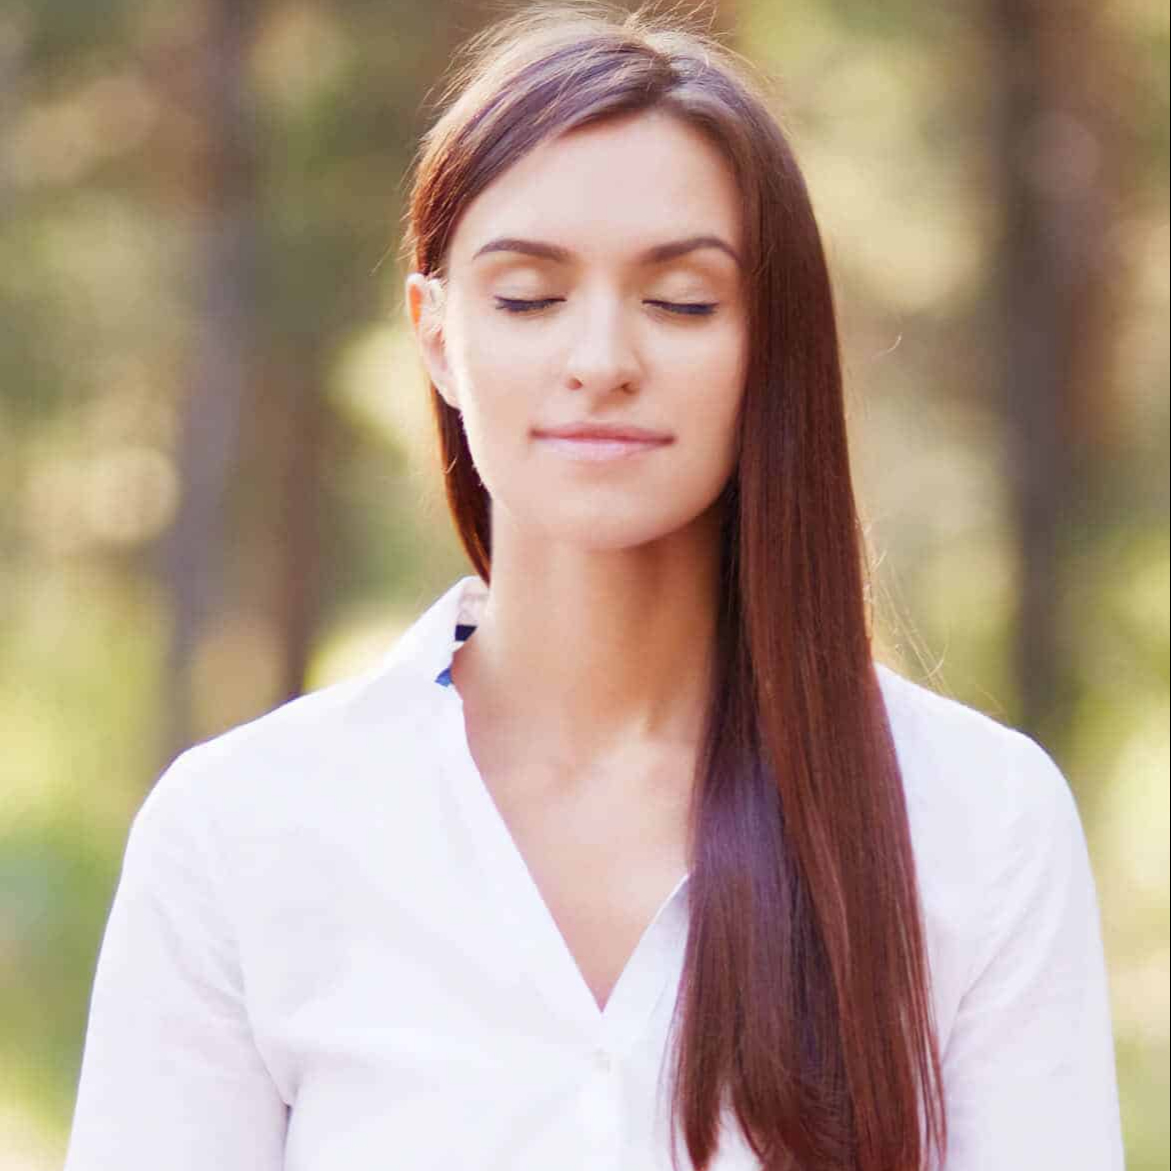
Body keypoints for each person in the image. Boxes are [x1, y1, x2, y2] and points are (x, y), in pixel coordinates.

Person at [63, 4, 1125, 1170]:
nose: (602, 360)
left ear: (769, 343)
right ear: (434, 334)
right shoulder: (241, 832)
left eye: (680, 301)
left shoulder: (977, 821)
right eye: (527, 297)